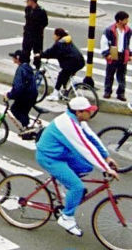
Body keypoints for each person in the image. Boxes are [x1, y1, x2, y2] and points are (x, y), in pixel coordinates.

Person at [35, 96, 118, 236]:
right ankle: (66, 217)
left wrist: (106, 156)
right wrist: (106, 168)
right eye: (88, 111)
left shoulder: (78, 120)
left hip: (62, 154)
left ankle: (65, 184)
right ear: (79, 112)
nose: (91, 113)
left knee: (86, 166)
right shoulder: (67, 124)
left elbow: (92, 138)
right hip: (49, 158)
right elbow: (85, 147)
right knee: (77, 187)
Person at [38, 28, 85, 99]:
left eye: (54, 34)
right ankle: (71, 87)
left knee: (61, 76)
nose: (53, 36)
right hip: (80, 61)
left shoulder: (59, 44)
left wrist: (40, 55)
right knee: (66, 75)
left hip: (72, 62)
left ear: (58, 36)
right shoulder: (67, 41)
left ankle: (55, 94)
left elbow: (51, 52)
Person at [5, 49, 38, 131]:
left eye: (14, 57)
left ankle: (28, 127)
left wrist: (9, 95)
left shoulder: (21, 70)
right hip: (32, 95)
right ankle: (27, 127)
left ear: (18, 59)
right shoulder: (27, 67)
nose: (13, 59)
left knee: (14, 109)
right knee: (23, 112)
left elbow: (18, 87)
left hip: (26, 96)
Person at [100, 10, 130, 101]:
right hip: (113, 54)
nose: (127, 21)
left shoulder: (128, 31)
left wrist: (130, 54)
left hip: (123, 54)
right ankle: (107, 91)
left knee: (122, 75)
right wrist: (106, 53)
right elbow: (104, 42)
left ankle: (121, 93)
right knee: (110, 74)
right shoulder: (109, 30)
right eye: (126, 19)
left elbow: (130, 43)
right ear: (120, 20)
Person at [22, 0, 48, 65]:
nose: (26, 2)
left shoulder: (41, 11)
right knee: (25, 52)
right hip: (27, 34)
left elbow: (45, 23)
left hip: (37, 35)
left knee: (37, 53)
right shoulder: (27, 9)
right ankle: (25, 66)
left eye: (28, 0)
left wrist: (38, 28)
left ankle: (37, 67)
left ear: (32, 1)